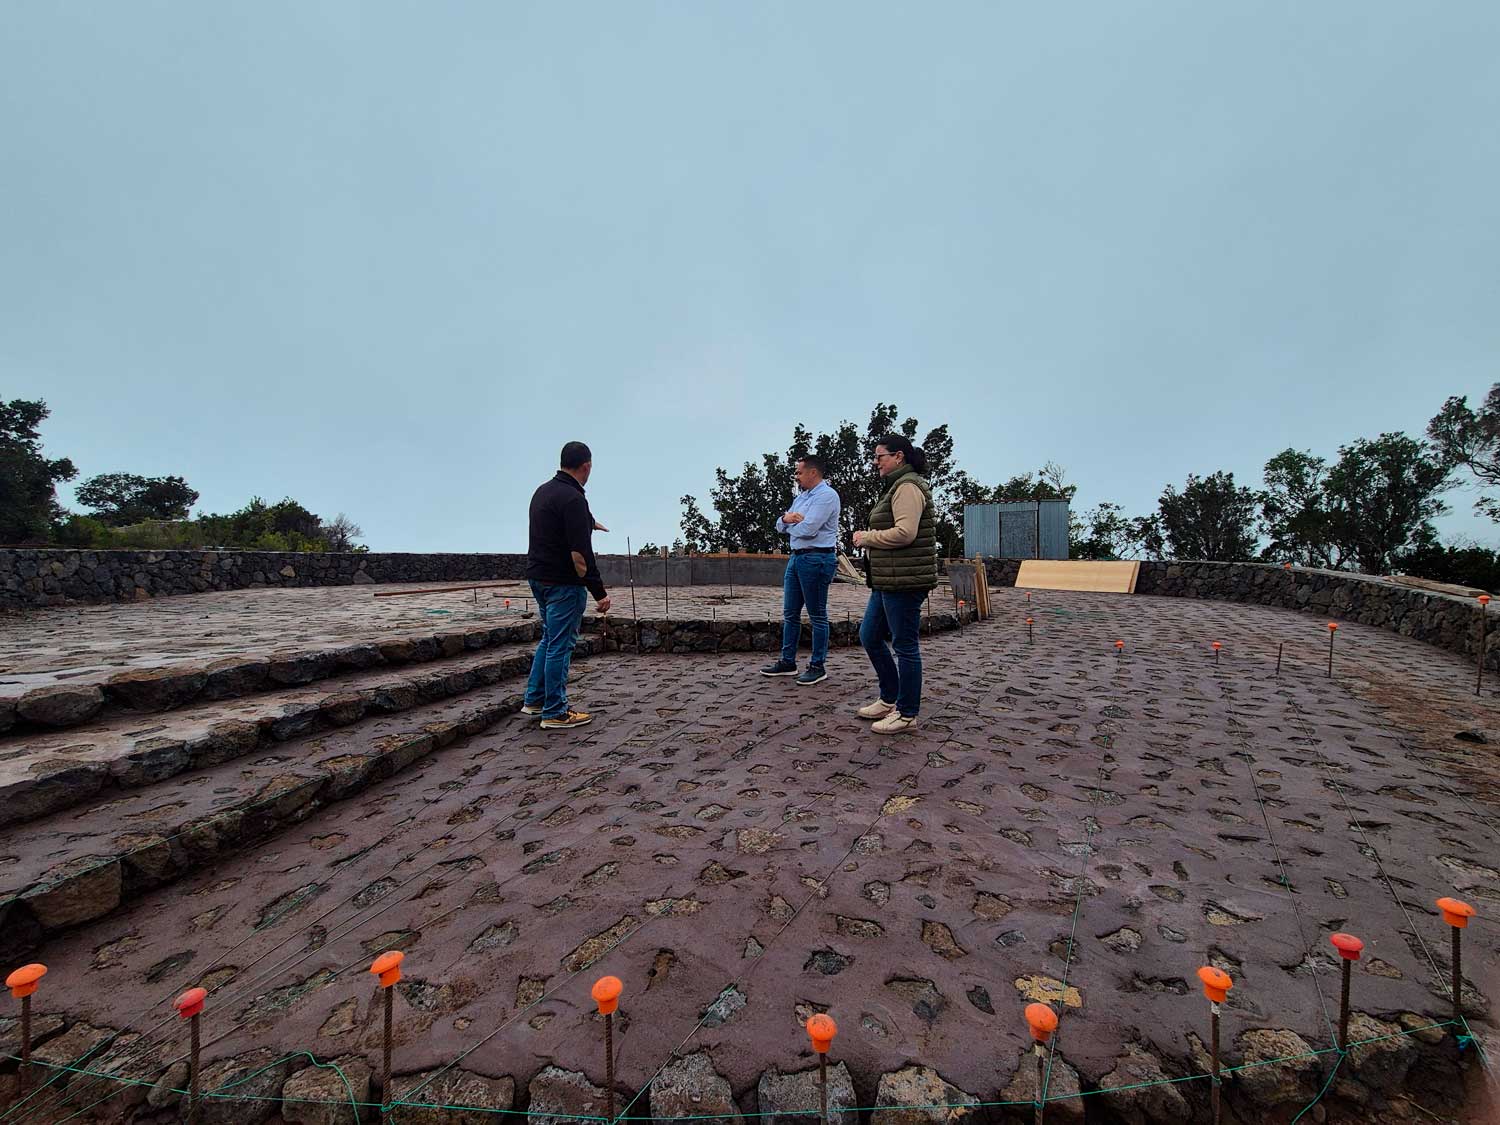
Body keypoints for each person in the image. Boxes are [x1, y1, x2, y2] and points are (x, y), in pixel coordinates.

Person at [852, 434, 937, 734]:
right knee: (870, 636)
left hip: (905, 580)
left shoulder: (908, 487)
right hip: (889, 580)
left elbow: (906, 533)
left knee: (905, 646)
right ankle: (890, 698)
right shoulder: (896, 486)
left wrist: (867, 537)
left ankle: (907, 713)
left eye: (880, 456)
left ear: (898, 457)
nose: (876, 462)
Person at [524, 441, 611, 729]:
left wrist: (589, 522)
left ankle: (534, 700)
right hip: (563, 584)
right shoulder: (574, 498)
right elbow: (580, 555)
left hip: (539, 578)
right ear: (586, 466)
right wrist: (598, 592)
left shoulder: (544, 491)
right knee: (560, 645)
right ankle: (555, 712)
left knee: (549, 640)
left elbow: (559, 523)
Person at [761, 456, 842, 685]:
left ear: (812, 473)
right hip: (796, 558)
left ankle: (818, 665)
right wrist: (787, 519)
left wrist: (789, 524)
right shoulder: (802, 497)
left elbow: (809, 528)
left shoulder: (827, 496)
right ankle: (788, 662)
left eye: (799, 472)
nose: (796, 476)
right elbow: (779, 524)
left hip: (816, 558)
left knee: (817, 615)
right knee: (790, 614)